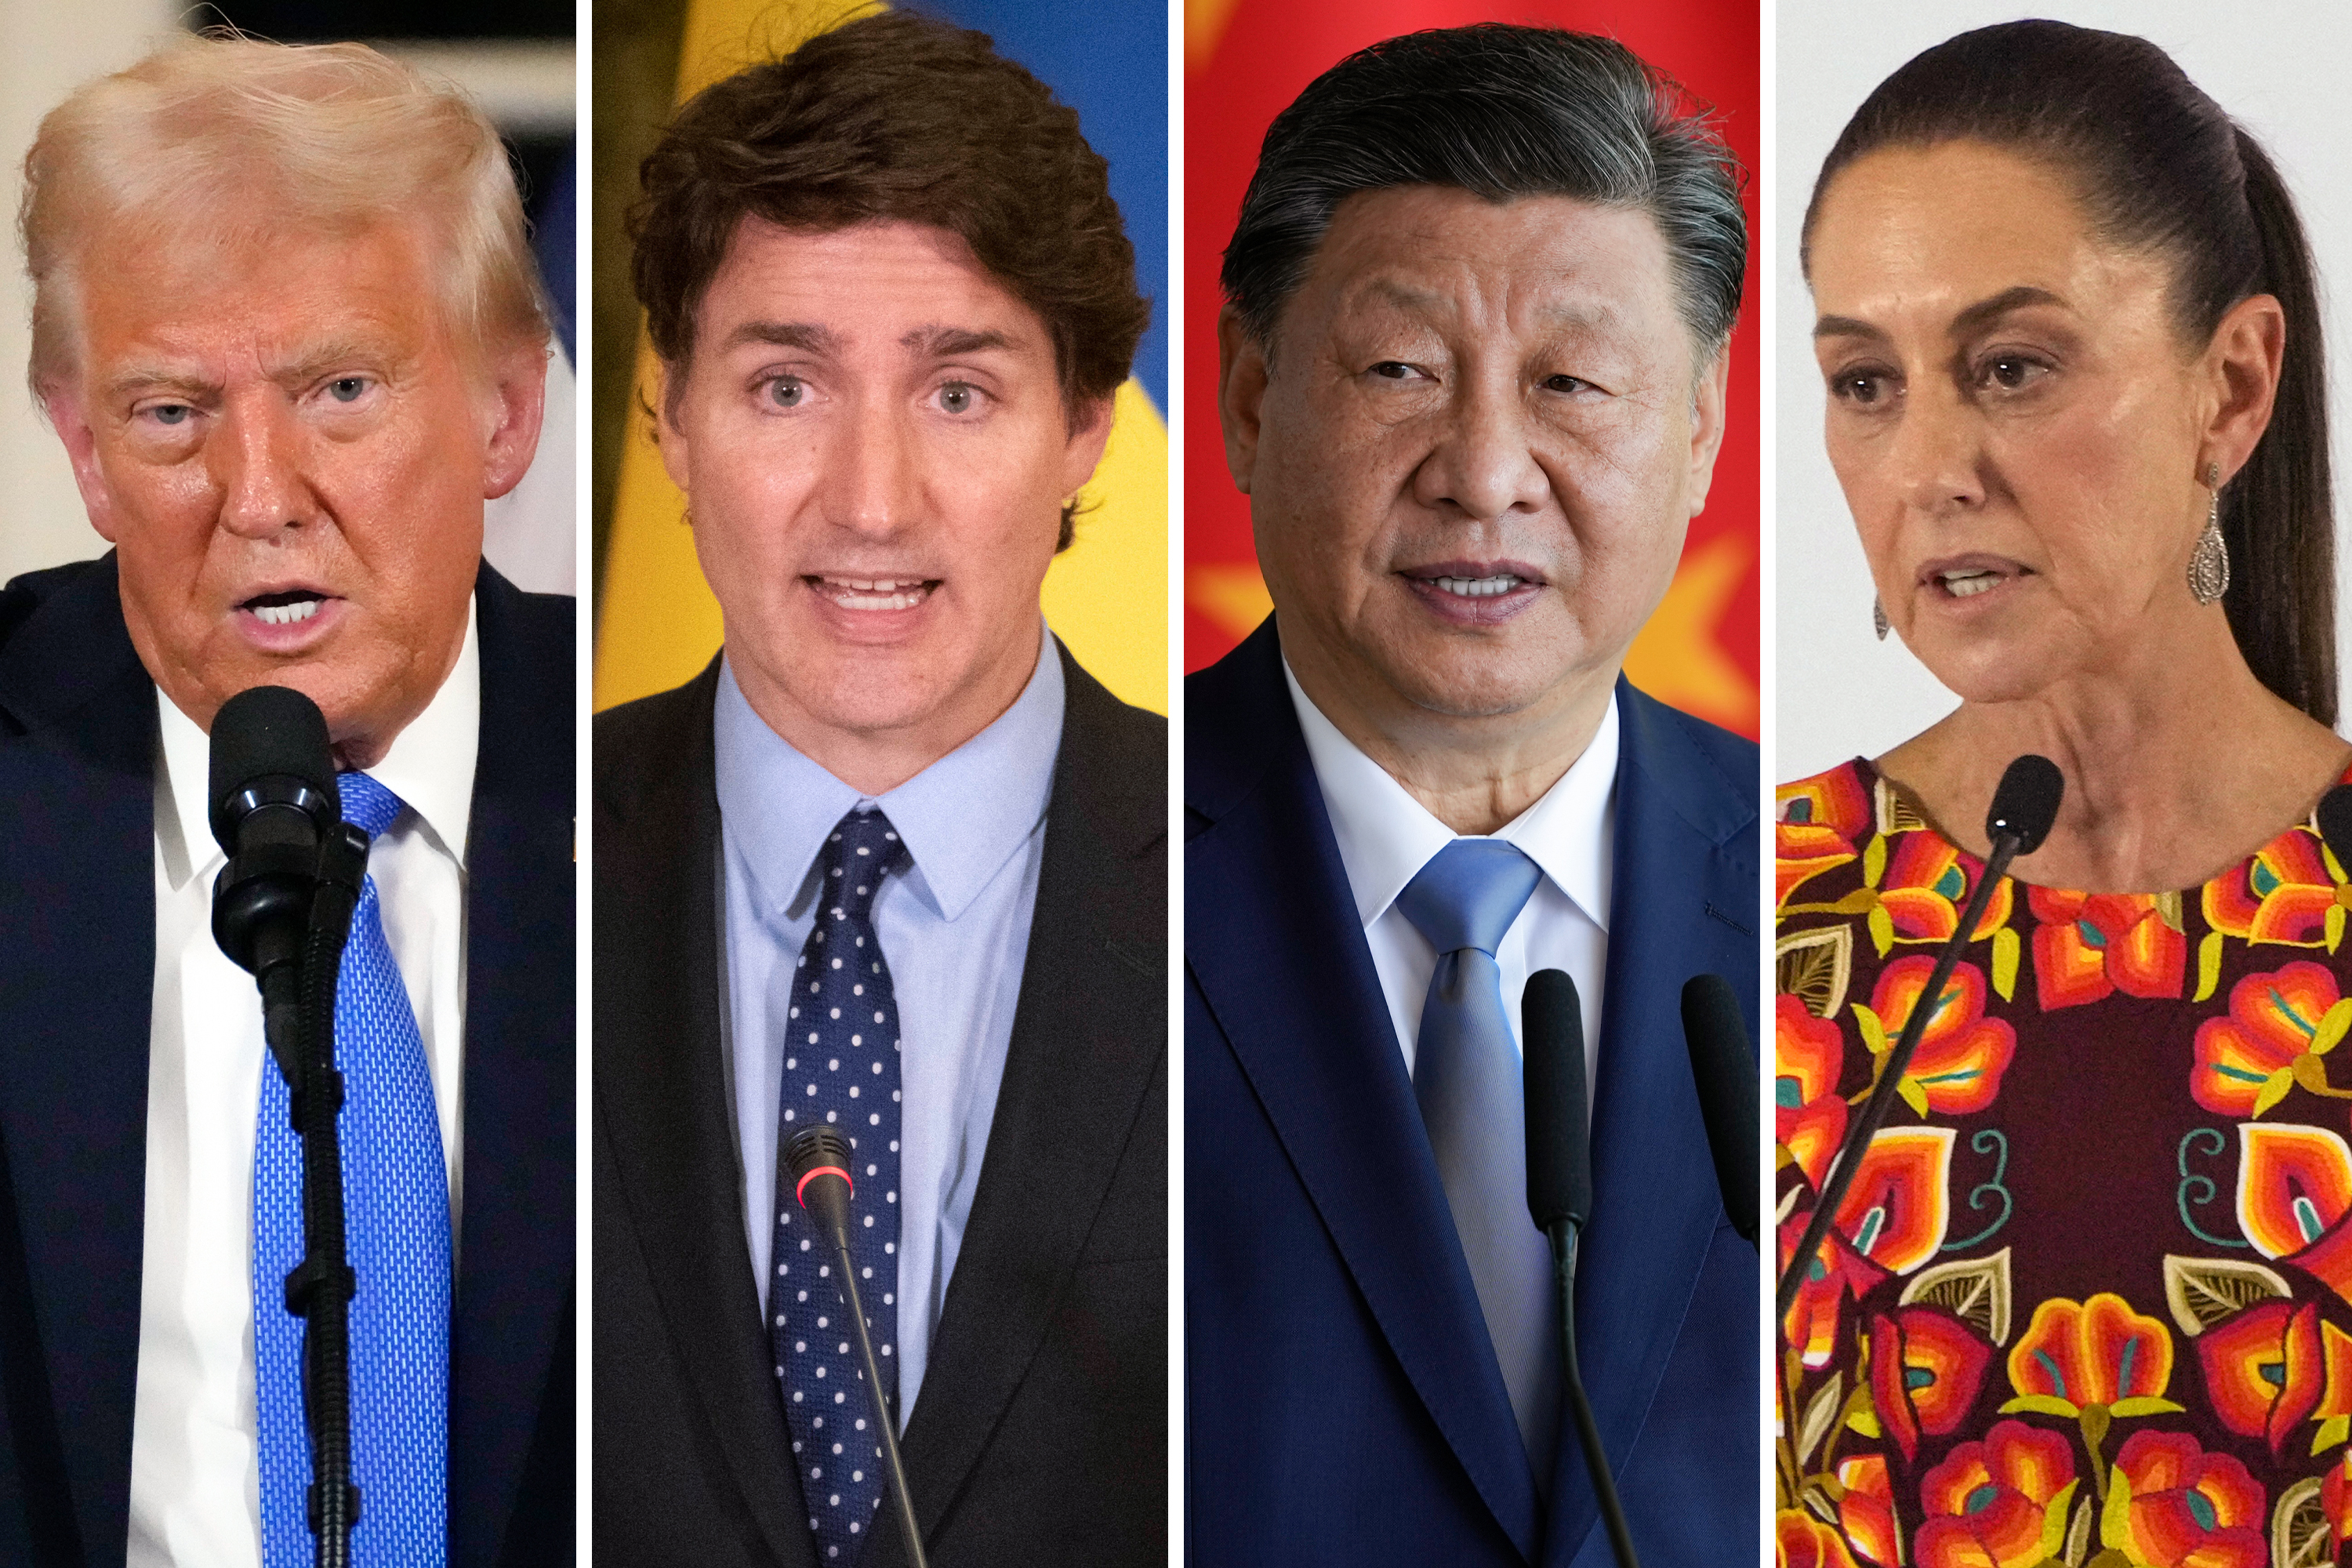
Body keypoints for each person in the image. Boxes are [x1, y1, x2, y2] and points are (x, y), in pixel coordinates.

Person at [1774, 20, 2352, 1566]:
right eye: (1865, 383)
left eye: (2012, 367)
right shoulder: (1747, 904)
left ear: (2231, 390)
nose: (1930, 466)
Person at [593, 13, 1164, 1566]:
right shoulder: (505, 858)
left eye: (958, 394)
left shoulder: (1266, 875)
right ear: (670, 424)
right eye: (786, 387)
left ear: (1082, 433)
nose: (869, 498)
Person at [1185, 24, 1757, 1565]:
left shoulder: (1855, 895)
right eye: (1400, 372)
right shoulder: (1071, 862)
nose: (1487, 469)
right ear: (1249, 400)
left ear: (1700, 427)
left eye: (1571, 381)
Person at [0, 35, 572, 1568]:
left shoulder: (693, 781)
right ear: (88, 456)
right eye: (173, 412)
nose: (260, 495)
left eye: (340, 387)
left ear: (507, 412)